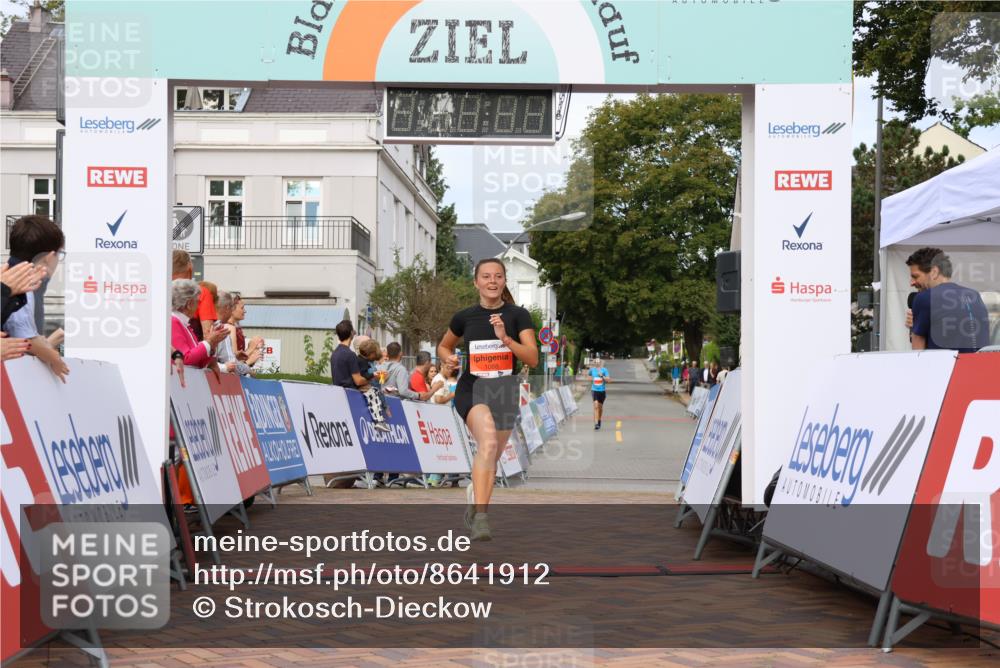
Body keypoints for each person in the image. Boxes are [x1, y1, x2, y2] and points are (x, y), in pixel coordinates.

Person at [438, 258, 537, 541]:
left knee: (491, 456)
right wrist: (449, 358)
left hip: (505, 390)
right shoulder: (464, 317)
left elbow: (531, 357)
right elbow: (444, 345)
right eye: (486, 276)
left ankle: (474, 499)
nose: (492, 281)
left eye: (497, 276)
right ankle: (481, 517)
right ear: (476, 282)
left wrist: (505, 338)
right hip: (473, 389)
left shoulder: (519, 316)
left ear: (504, 281)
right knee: (489, 442)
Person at [3, 215, 68, 382]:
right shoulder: (23, 286)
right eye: (60, 255)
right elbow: (25, 340)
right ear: (49, 256)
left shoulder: (9, 275)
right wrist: (54, 358)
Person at [906, 247, 990, 353]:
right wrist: (915, 325)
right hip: (978, 366)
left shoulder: (924, 297)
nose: (912, 283)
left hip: (944, 367)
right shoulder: (974, 294)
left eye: (915, 276)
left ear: (934, 272)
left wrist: (914, 331)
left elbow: (917, 353)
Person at [330, 320, 390, 432]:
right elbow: (358, 381)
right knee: (373, 392)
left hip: (337, 391)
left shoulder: (335, 353)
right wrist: (373, 375)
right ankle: (379, 421)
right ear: (351, 333)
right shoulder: (350, 355)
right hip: (350, 393)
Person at [171, 279, 228, 368]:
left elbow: (200, 363)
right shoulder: (174, 321)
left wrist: (213, 344)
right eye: (198, 302)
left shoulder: (183, 323)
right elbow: (185, 358)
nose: (198, 306)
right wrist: (209, 341)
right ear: (189, 304)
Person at [172, 250, 217, 342]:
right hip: (190, 352)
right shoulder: (200, 293)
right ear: (190, 268)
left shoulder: (158, 291)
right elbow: (207, 332)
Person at [227, 294, 264, 367]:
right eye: (242, 308)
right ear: (232, 310)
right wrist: (251, 349)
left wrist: (252, 350)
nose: (245, 311)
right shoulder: (230, 328)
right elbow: (233, 361)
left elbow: (239, 360)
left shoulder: (236, 328)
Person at [589, 359, 610, 430]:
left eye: (598, 362)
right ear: (594, 363)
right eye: (596, 362)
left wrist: (602, 376)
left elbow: (609, 380)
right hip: (594, 390)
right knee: (596, 406)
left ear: (601, 363)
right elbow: (589, 376)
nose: (597, 364)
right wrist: (591, 379)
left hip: (602, 391)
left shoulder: (604, 370)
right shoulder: (592, 370)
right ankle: (596, 423)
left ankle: (599, 419)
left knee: (600, 408)